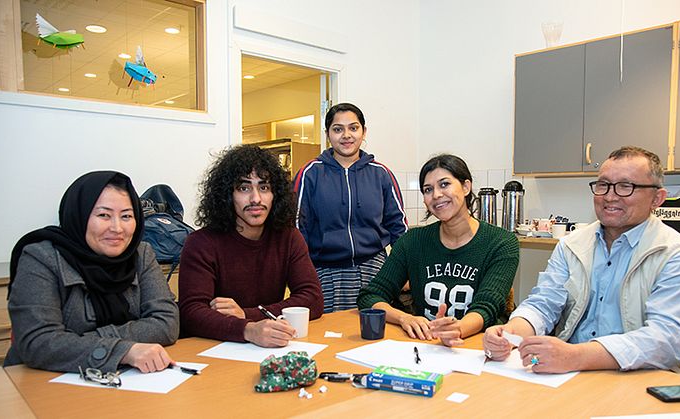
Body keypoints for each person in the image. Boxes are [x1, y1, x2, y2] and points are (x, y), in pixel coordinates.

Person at [483, 146, 680, 377]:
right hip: (575, 374)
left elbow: (666, 340)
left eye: (625, 186)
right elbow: (543, 303)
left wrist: (575, 356)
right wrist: (510, 332)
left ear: (657, 198)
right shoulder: (572, 245)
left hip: (647, 377)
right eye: (603, 185)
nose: (609, 196)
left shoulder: (676, 254)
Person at [5, 171, 179, 373]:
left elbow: (167, 323)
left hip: (124, 379)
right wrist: (123, 350)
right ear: (79, 215)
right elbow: (38, 342)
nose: (117, 228)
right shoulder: (41, 257)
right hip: (41, 381)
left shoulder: (141, 254)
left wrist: (78, 340)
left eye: (126, 216)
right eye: (104, 215)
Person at [357, 154, 519, 347]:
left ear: (466, 187)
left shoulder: (502, 243)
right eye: (428, 189)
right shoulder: (412, 242)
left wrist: (456, 329)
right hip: (427, 346)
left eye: (444, 184)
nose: (436, 195)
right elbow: (370, 296)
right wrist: (404, 318)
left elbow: (487, 306)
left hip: (480, 347)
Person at [178, 145, 323, 348]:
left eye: (264, 188)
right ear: (227, 195)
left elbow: (312, 300)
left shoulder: (289, 237)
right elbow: (191, 313)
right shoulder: (201, 243)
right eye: (244, 188)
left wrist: (247, 314)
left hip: (267, 348)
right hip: (211, 350)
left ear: (275, 194)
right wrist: (248, 329)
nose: (256, 199)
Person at [294, 103, 408, 313]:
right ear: (328, 134)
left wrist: (401, 272)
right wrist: (304, 274)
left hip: (376, 270)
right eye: (338, 129)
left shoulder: (381, 174)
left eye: (353, 128)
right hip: (325, 273)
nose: (346, 135)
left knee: (376, 335)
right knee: (330, 335)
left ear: (364, 132)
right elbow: (297, 229)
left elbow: (399, 229)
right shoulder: (310, 173)